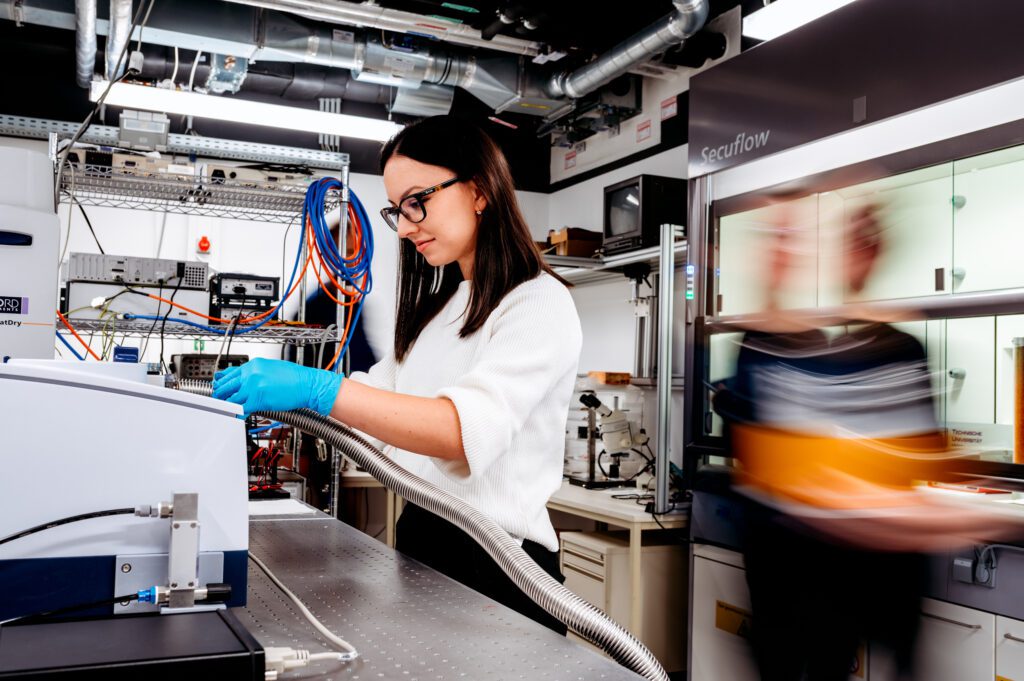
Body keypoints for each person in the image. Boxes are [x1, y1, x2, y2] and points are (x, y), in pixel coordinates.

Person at [212, 115, 582, 634]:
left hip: (500, 565)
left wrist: (318, 388)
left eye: (417, 201)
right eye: (397, 210)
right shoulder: (443, 308)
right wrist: (284, 392)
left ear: (477, 191)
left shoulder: (538, 302)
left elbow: (459, 432)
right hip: (427, 540)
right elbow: (375, 400)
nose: (405, 227)